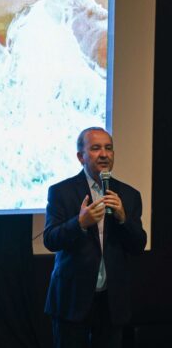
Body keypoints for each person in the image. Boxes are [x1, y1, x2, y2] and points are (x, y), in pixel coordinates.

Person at [44, 127, 147, 348]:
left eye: (109, 148)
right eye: (96, 148)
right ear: (80, 156)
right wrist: (79, 223)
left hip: (112, 301)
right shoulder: (61, 192)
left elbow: (138, 245)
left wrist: (123, 219)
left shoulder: (129, 194)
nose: (104, 154)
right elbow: (50, 239)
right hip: (72, 298)